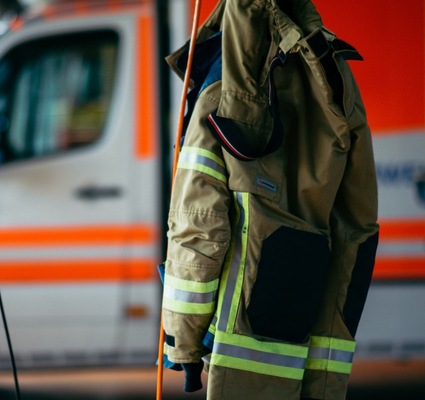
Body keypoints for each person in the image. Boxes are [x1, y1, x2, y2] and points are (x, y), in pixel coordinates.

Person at [160, 0, 379, 399]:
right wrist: (327, 377)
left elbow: (198, 224)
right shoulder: (335, 77)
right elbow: (357, 227)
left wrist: (182, 340)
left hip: (236, 344)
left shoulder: (220, 88)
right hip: (309, 327)